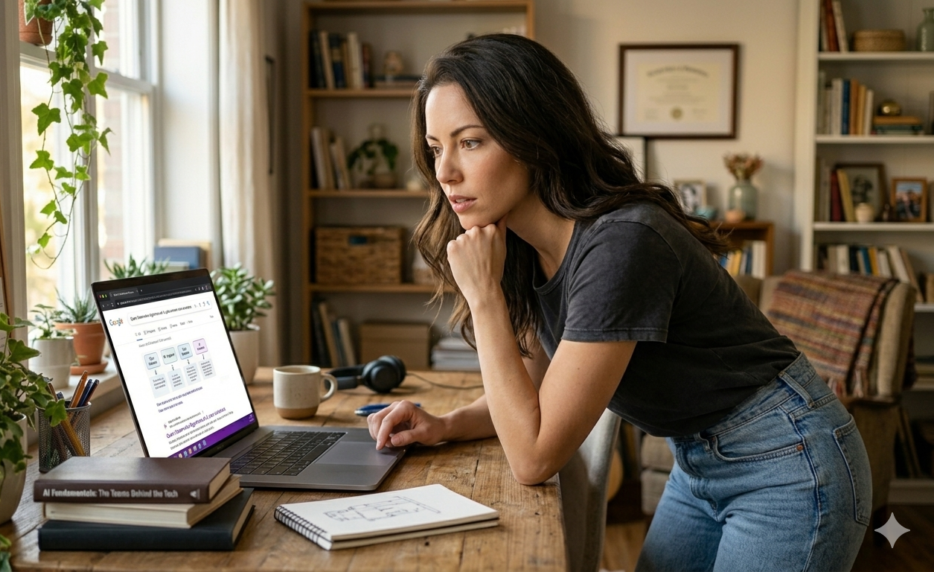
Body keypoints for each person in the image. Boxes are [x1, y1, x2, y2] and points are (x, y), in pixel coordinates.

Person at [367, 34, 870, 571]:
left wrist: (484, 297)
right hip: (697, 463)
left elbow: (535, 456)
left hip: (787, 461)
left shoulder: (621, 241)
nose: (444, 172)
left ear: (534, 136)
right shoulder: (525, 249)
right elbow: (532, 395)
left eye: (470, 142)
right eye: (436, 147)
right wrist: (445, 423)